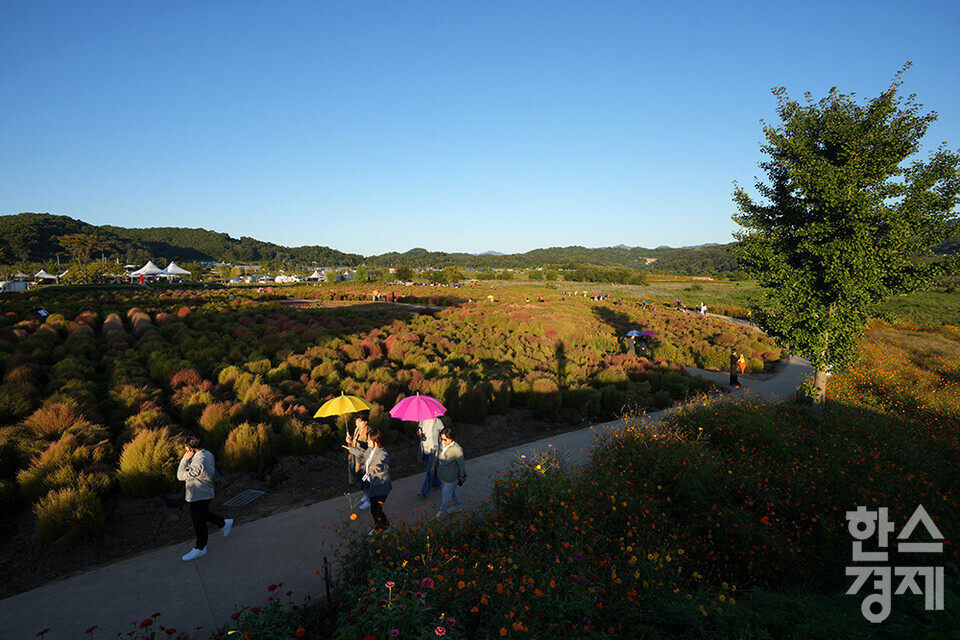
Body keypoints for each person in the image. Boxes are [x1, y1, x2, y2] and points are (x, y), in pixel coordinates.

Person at [177, 436, 232, 562]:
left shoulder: (198, 462)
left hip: (199, 495)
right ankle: (223, 523)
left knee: (199, 522)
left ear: (189, 448)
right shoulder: (207, 453)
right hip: (204, 492)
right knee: (202, 515)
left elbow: (180, 476)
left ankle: (200, 548)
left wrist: (184, 460)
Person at [343, 428, 392, 534]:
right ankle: (382, 526)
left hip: (381, 487)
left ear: (375, 441)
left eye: (369, 440)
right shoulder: (370, 450)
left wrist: (380, 467)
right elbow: (362, 454)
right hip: (373, 485)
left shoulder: (382, 452)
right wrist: (350, 448)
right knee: (375, 509)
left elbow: (385, 464)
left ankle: (384, 527)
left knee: (376, 509)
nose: (367, 441)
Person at [433, 427, 467, 519]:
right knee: (453, 490)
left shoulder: (457, 449)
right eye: (441, 438)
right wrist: (433, 465)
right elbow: (437, 454)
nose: (443, 441)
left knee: (446, 491)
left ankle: (442, 511)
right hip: (445, 473)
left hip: (453, 475)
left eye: (445, 439)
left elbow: (461, 465)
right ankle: (457, 505)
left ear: (452, 438)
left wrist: (462, 475)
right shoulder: (441, 444)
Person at [345, 414, 371, 510]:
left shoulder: (369, 432)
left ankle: (369, 499)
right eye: (356, 422)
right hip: (355, 460)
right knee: (358, 478)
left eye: (360, 422)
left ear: (366, 421)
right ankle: (366, 494)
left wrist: (352, 448)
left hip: (364, 461)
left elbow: (368, 449)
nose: (358, 424)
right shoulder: (357, 430)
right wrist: (349, 441)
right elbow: (354, 445)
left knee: (365, 480)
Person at [417, 417, 443, 498]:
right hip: (425, 448)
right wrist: (419, 433)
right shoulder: (422, 421)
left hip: (433, 449)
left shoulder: (437, 421)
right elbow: (418, 430)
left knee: (429, 470)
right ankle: (437, 483)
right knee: (433, 468)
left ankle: (424, 491)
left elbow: (443, 433)